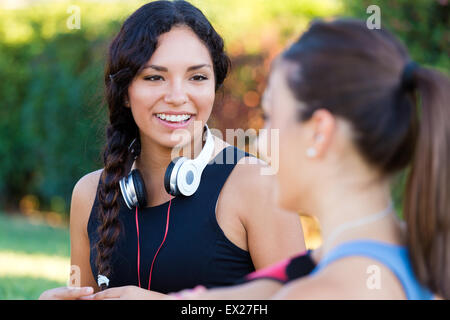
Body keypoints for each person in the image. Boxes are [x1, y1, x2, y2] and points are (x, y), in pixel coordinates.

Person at [82, 17, 449, 300]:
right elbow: (232, 300)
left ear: (318, 132)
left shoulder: (332, 287)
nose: (258, 139)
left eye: (272, 117)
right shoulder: (370, 253)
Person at [38, 0, 306, 300]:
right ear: (125, 92)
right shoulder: (89, 193)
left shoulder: (258, 183)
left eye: (197, 77)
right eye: (154, 77)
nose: (178, 96)